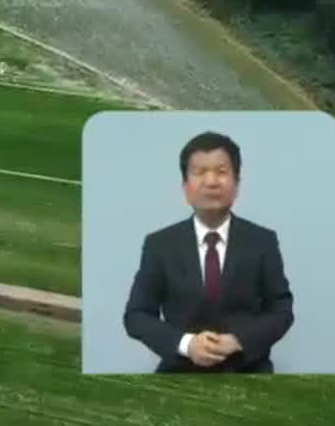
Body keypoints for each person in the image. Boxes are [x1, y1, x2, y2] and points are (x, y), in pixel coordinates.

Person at [123, 131, 294, 373]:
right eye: (200, 173)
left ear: (237, 184)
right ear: (185, 187)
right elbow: (136, 316)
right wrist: (187, 344)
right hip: (179, 372)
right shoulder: (160, 245)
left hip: (247, 371)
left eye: (221, 172)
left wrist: (237, 341)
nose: (211, 181)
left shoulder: (262, 241)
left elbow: (281, 311)